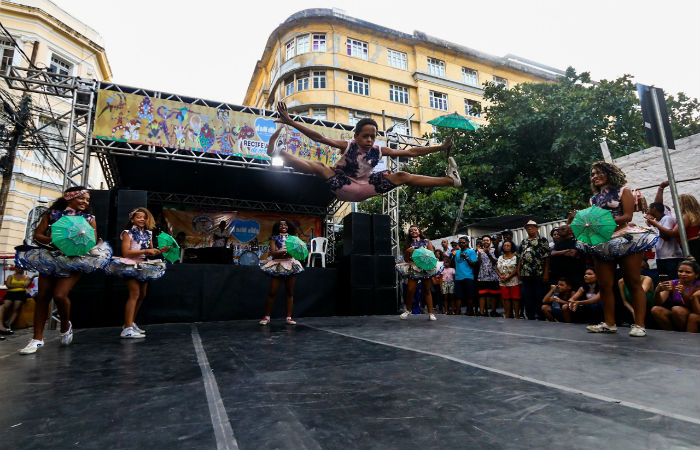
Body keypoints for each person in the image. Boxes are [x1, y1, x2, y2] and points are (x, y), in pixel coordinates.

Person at [269, 102, 461, 202]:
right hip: (343, 186)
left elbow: (412, 152)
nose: (369, 141)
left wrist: (441, 147)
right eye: (365, 137)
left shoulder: (379, 150)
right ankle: (280, 154)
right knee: (319, 167)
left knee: (402, 175)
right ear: (356, 136)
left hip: (364, 187)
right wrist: (291, 122)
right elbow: (319, 138)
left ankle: (450, 181)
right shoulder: (348, 146)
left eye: (373, 136)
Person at [15, 186, 112, 354]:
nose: (85, 202)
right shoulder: (52, 214)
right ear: (70, 197)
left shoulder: (89, 218)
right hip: (51, 257)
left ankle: (66, 324)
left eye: (87, 200)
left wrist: (71, 247)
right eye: (82, 198)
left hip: (74, 260)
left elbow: (91, 242)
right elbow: (37, 235)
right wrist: (53, 240)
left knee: (60, 295)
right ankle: (37, 339)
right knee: (43, 296)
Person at [574, 162, 658, 337]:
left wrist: (601, 223)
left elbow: (627, 216)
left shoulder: (623, 191)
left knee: (633, 281)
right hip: (602, 241)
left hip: (624, 238)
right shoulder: (593, 199)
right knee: (604, 284)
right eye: (592, 174)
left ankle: (640, 324)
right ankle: (610, 323)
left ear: (609, 173)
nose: (594, 176)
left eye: (598, 173)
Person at [106, 207, 169, 338]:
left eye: (144, 217)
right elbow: (126, 253)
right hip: (130, 265)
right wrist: (146, 252)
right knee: (134, 294)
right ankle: (127, 329)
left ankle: (130, 323)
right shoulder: (127, 233)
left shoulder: (149, 233)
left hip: (144, 266)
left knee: (142, 295)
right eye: (139, 217)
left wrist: (160, 250)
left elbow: (151, 251)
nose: (142, 219)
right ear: (132, 219)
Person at [259, 218, 304, 325]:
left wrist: (291, 252)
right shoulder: (274, 238)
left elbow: (296, 252)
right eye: (281, 225)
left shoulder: (293, 238)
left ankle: (289, 317)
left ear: (289, 227)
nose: (283, 227)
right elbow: (273, 252)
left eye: (285, 225)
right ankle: (267, 317)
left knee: (289, 292)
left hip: (290, 264)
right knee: (272, 292)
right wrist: (282, 252)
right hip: (277, 264)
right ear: (277, 227)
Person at [396, 225, 444, 321]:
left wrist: (419, 251)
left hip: (425, 267)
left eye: (415, 230)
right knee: (410, 290)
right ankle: (408, 310)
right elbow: (406, 259)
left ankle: (431, 313)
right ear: (409, 233)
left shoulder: (426, 242)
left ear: (419, 231)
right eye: (411, 230)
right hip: (413, 268)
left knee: (426, 290)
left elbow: (431, 254)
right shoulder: (408, 243)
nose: (413, 231)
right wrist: (407, 252)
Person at [651, 258, 700, 332]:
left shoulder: (698, 285)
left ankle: (684, 336)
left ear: (696, 275)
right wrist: (657, 291)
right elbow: (659, 302)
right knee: (656, 310)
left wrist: (683, 294)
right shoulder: (672, 283)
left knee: (677, 310)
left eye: (688, 272)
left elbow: (694, 309)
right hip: (677, 316)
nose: (683, 274)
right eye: (680, 271)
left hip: (694, 314)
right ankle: (672, 334)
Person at [655, 182, 700, 261]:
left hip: (691, 246)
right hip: (694, 244)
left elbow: (673, 233)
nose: (673, 206)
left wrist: (655, 224)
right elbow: (658, 205)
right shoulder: (694, 215)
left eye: (676, 204)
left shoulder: (686, 217)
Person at [518, 220, 550, 320]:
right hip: (526, 273)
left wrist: (546, 273)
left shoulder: (543, 240)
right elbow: (520, 257)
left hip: (539, 273)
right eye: (527, 227)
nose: (529, 228)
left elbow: (547, 257)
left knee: (539, 295)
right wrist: (519, 271)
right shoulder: (523, 242)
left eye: (532, 226)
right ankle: (530, 316)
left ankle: (541, 316)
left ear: (537, 228)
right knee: (527, 296)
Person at [645, 202, 684, 278]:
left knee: (673, 281)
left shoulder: (667, 219)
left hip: (671, 257)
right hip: (661, 257)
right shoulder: (658, 221)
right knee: (664, 282)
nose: (647, 210)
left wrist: (655, 224)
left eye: (649, 208)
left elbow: (666, 237)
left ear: (654, 209)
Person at [0, 267, 36, 334]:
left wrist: (15, 285)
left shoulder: (26, 277)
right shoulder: (10, 276)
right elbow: (8, 285)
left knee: (16, 308)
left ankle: (9, 325)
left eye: (20, 268)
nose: (19, 269)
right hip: (10, 293)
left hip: (20, 294)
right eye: (17, 268)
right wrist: (20, 286)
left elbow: (25, 285)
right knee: (5, 306)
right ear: (15, 269)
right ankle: (3, 323)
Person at [549, 224, 585, 289]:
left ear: (570, 231)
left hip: (575, 274)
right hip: (560, 275)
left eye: (562, 229)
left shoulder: (576, 241)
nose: (559, 231)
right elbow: (552, 253)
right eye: (559, 229)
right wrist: (566, 251)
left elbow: (572, 254)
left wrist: (559, 253)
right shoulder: (559, 243)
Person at [453, 236, 478, 315]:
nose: (461, 244)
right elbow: (453, 264)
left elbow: (474, 264)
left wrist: (466, 257)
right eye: (460, 242)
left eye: (463, 242)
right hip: (458, 277)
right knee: (458, 295)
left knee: (469, 295)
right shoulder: (457, 252)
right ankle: (458, 311)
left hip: (468, 276)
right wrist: (453, 256)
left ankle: (469, 310)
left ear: (467, 243)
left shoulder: (471, 252)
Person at [476, 235, 500, 317]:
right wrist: (479, 253)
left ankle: (493, 311)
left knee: (494, 294)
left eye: (487, 240)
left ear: (490, 241)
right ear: (482, 242)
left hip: (493, 276)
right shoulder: (479, 251)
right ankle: (481, 312)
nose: (485, 241)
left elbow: (495, 262)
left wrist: (488, 253)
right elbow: (478, 263)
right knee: (482, 295)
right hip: (482, 276)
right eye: (484, 240)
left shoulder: (494, 250)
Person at [495, 240, 520, 318]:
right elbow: (496, 268)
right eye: (504, 245)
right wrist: (500, 276)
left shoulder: (516, 257)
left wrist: (508, 277)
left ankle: (516, 315)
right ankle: (508, 315)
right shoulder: (500, 257)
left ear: (512, 247)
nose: (506, 247)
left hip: (513, 280)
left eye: (508, 245)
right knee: (506, 299)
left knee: (515, 298)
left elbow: (517, 268)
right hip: (503, 281)